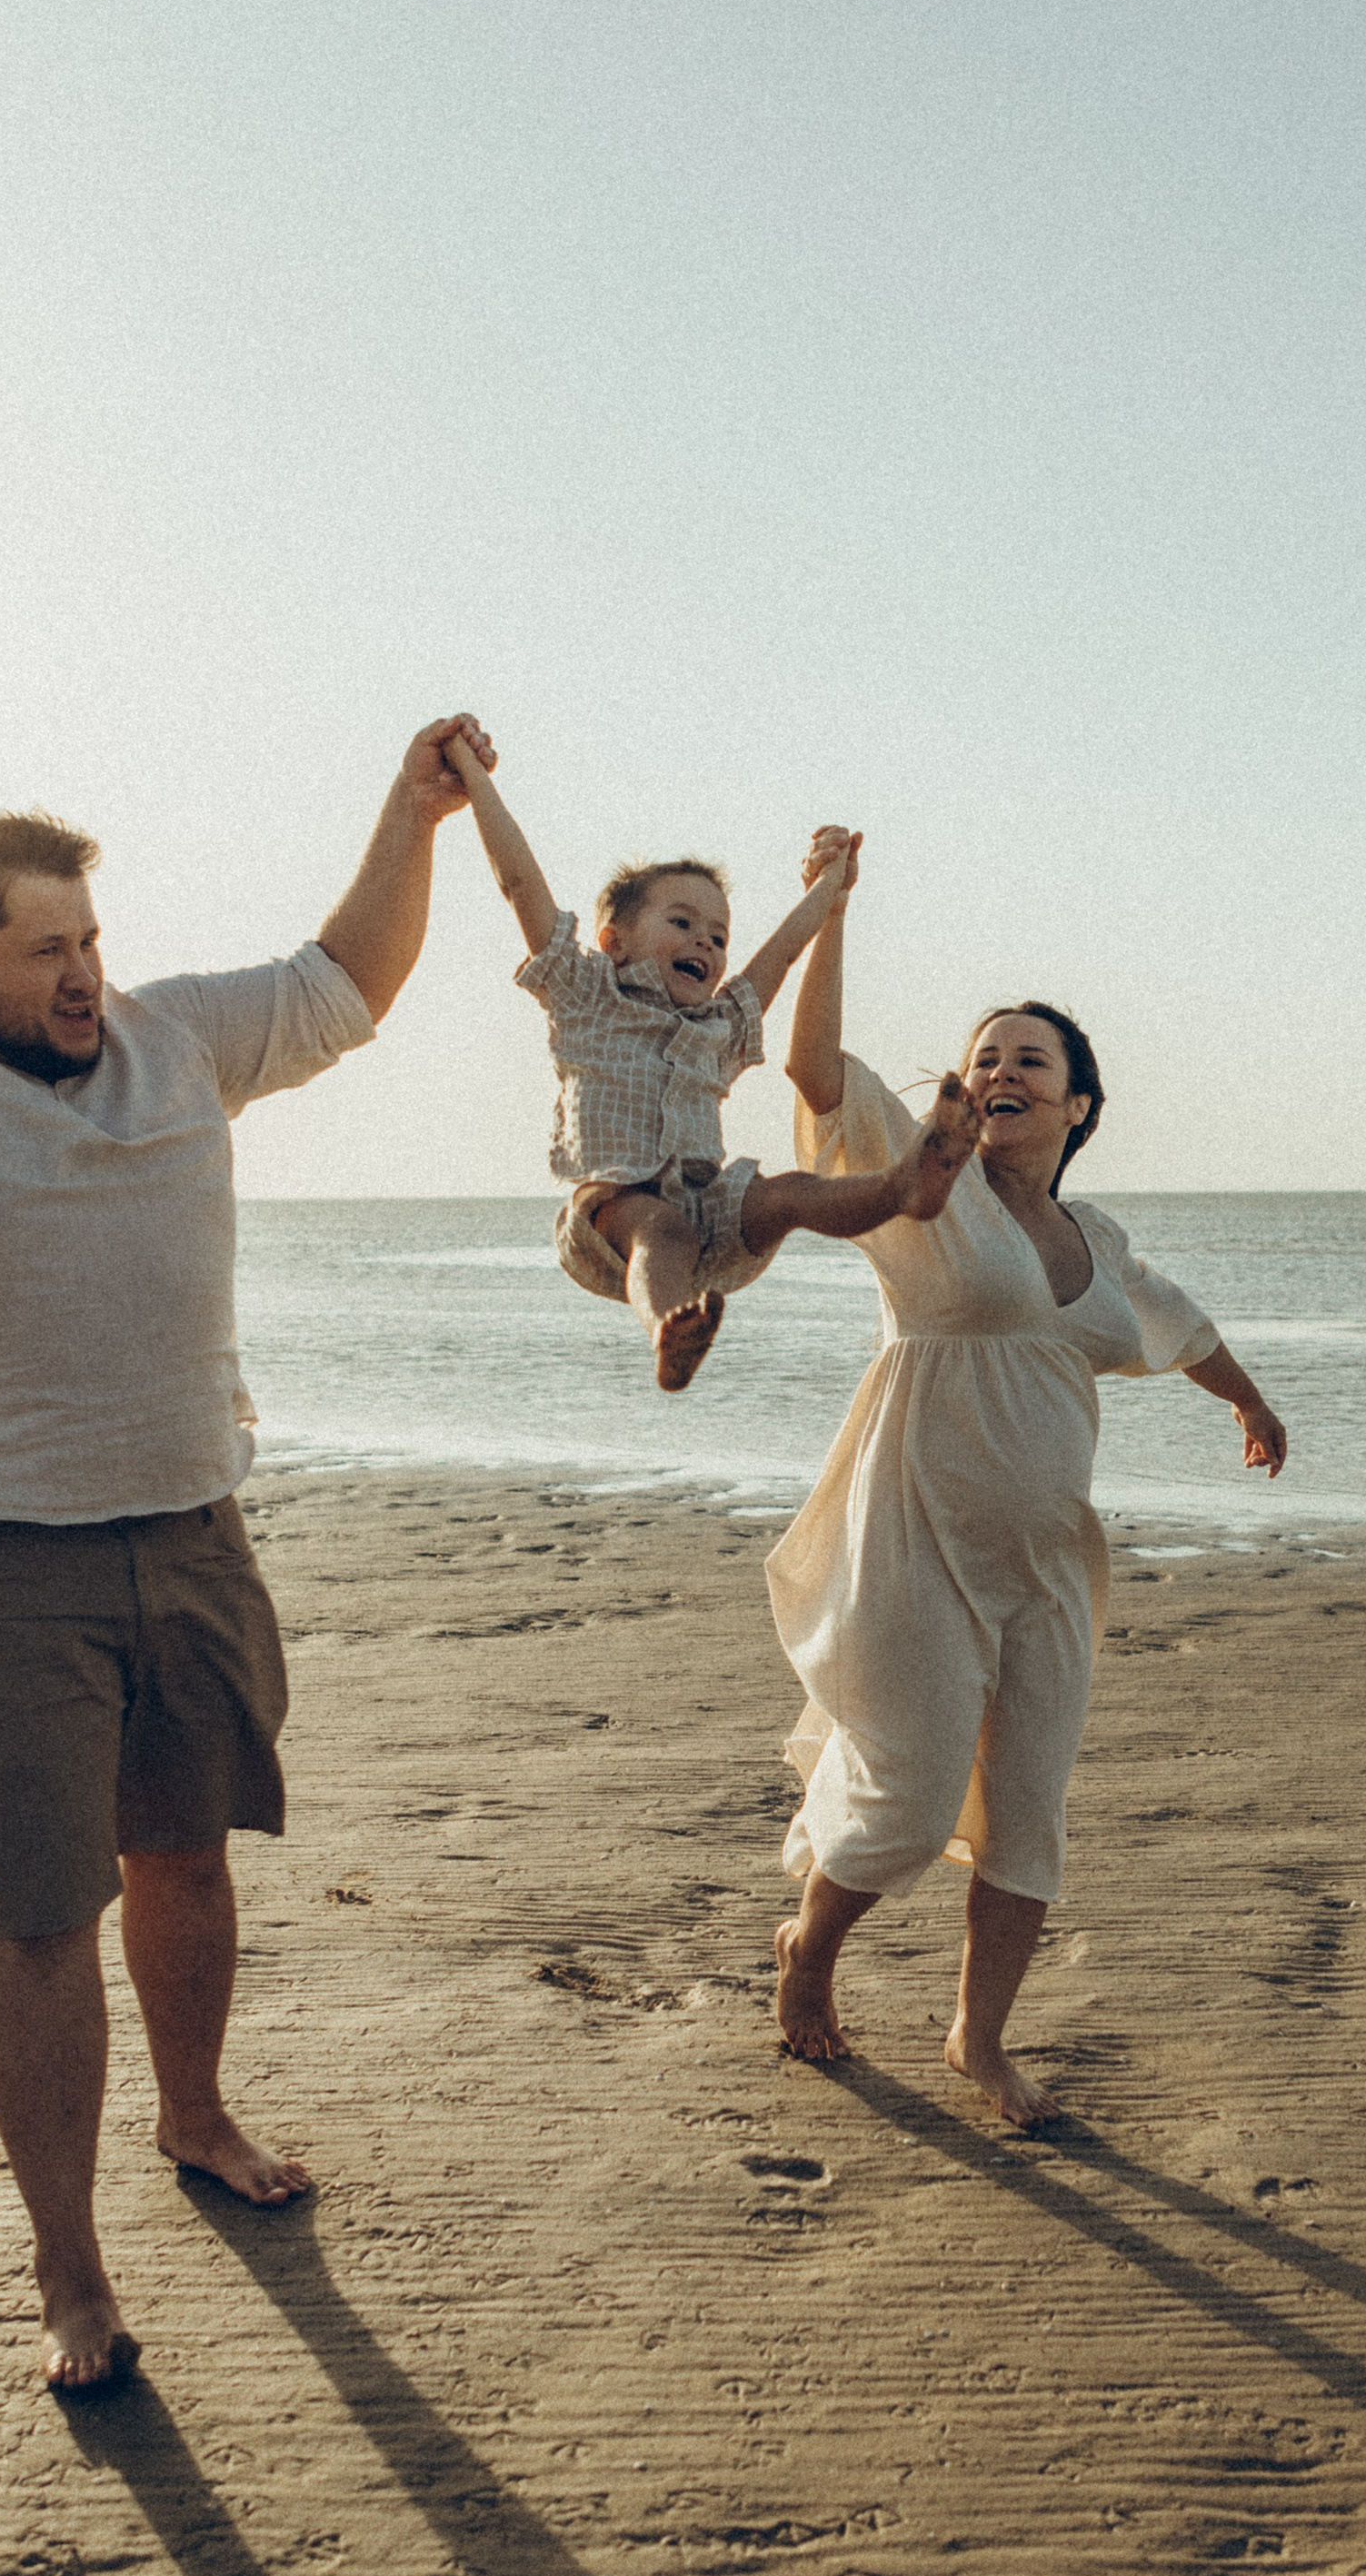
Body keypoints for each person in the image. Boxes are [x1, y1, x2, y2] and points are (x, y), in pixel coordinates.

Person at [0, 714, 494, 2390]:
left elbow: (348, 980)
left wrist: (413, 812)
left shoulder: (177, 1040)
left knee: (192, 1856)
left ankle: (198, 2113)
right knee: (36, 1916)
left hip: (192, 1533)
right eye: (43, 948)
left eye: (90, 939)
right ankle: (69, 2272)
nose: (83, 976)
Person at [765, 892, 1289, 2129]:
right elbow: (811, 1068)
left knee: (1030, 1816)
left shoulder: (1096, 1237)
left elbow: (1177, 1323)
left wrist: (1249, 1404)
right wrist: (833, 908)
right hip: (916, 1542)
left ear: (1078, 1106)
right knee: (907, 1792)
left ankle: (977, 2041)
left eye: (1029, 1058)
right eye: (982, 1055)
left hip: (1049, 1563)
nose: (999, 1069)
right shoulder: (926, 1191)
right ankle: (809, 1950)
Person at [445, 744, 978, 1385]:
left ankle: (904, 1188)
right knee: (660, 1230)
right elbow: (519, 882)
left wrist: (830, 888)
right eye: (683, 921)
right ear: (614, 942)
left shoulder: (720, 1028)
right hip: (612, 1215)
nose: (707, 941)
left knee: (791, 1193)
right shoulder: (586, 995)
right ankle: (669, 1334)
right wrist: (473, 777)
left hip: (711, 1212)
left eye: (720, 936)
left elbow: (780, 954)